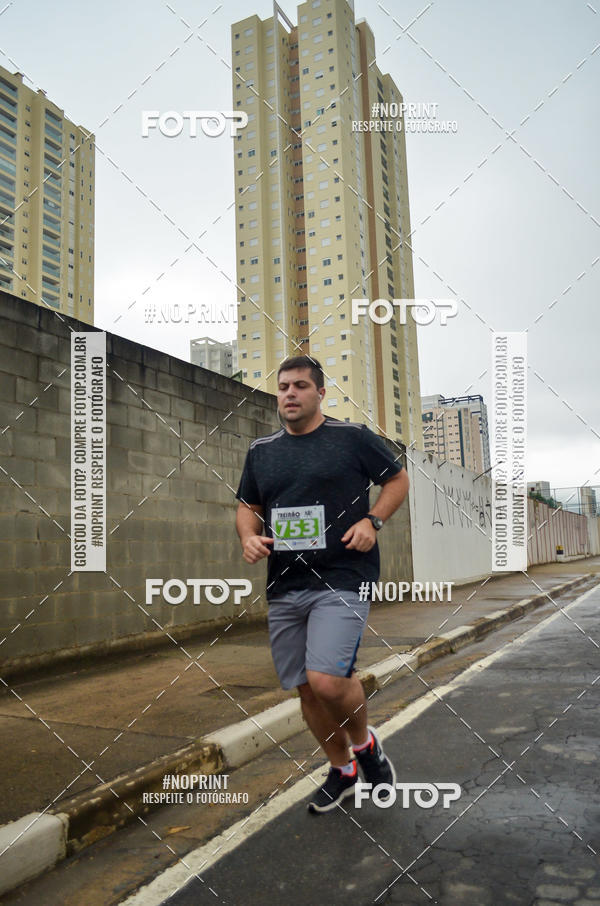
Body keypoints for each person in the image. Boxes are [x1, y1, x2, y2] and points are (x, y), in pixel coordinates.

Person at [235, 355, 409, 813]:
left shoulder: (350, 438)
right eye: (283, 387)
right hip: (285, 583)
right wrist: (249, 537)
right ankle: (343, 769)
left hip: (344, 575)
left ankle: (366, 746)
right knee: (306, 689)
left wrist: (373, 520)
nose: (289, 394)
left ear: (320, 393)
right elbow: (247, 506)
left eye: (299, 386)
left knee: (328, 680)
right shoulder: (262, 451)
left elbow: (397, 479)